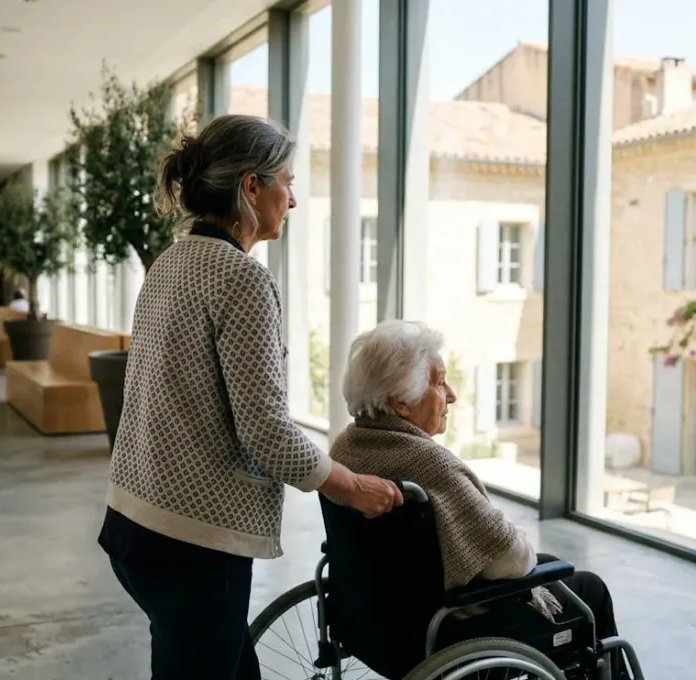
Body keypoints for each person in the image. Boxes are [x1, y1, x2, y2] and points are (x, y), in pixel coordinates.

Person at [98, 114, 403, 680]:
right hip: (192, 543)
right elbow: (263, 429)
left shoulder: (169, 263)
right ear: (251, 186)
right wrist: (348, 485)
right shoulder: (240, 278)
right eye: (286, 182)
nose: (292, 201)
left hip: (132, 524)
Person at [331, 320, 628, 676]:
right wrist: (513, 533)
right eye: (440, 382)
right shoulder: (427, 463)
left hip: (375, 620)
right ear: (401, 402)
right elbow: (510, 560)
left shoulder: (346, 449)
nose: (452, 395)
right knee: (589, 590)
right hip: (444, 630)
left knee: (553, 568)